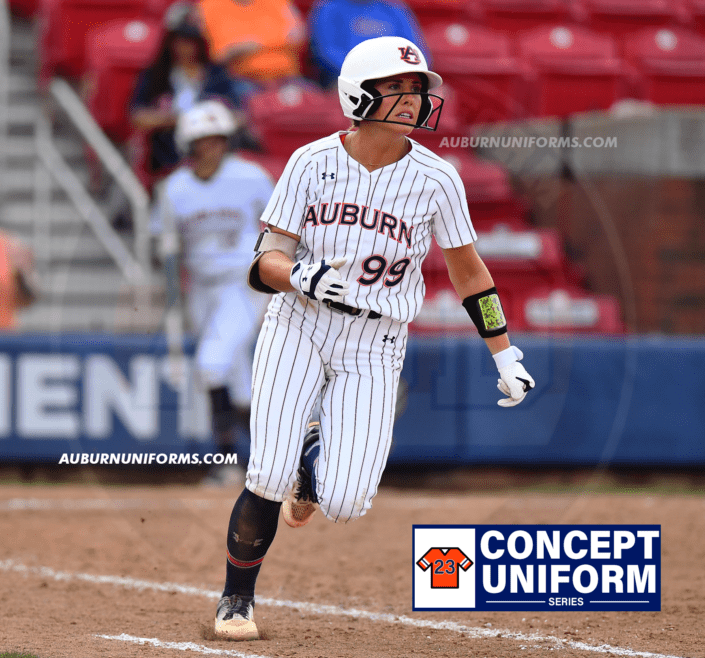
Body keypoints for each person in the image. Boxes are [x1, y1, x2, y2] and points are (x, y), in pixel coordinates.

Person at [213, 36, 535, 639]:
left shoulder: (437, 178)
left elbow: (469, 271)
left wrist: (504, 350)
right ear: (359, 93)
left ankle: (313, 467)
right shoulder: (311, 162)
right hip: (300, 324)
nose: (413, 98)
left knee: (347, 499)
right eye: (397, 87)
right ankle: (237, 600)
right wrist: (302, 274)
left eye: (417, 88)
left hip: (376, 340)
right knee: (266, 472)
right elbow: (264, 263)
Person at [153, 99, 273, 485]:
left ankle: (225, 462)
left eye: (217, 139)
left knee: (211, 363)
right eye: (202, 141)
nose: (211, 148)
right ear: (188, 146)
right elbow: (166, 247)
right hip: (202, 289)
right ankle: (278, 463)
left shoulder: (251, 177)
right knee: (237, 382)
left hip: (245, 284)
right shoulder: (175, 188)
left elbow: (283, 228)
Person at [130, 1, 256, 182]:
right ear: (170, 42)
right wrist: (179, 119)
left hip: (212, 148)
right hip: (168, 149)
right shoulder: (156, 75)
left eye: (191, 42)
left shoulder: (216, 74)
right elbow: (138, 117)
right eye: (179, 41)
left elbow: (239, 116)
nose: (185, 48)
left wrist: (208, 122)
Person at [308, 0, 432, 88]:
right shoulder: (330, 8)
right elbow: (326, 51)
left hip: (394, 80)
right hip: (347, 82)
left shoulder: (394, 9)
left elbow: (417, 53)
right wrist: (364, 73)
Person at [197, 0, 307, 87]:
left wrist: (253, 43)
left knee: (315, 103)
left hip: (288, 77)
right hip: (244, 80)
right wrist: (277, 40)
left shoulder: (277, 2)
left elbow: (298, 36)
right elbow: (220, 55)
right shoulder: (211, 6)